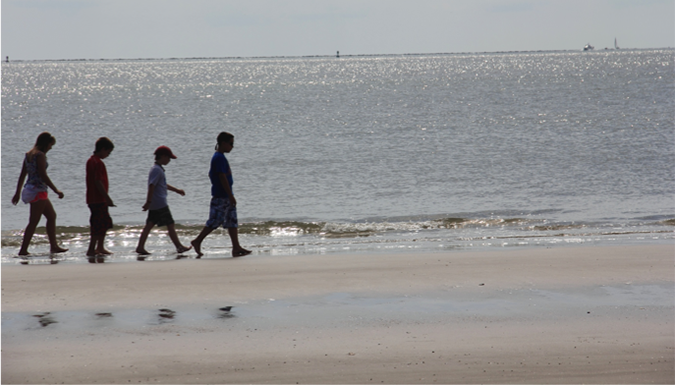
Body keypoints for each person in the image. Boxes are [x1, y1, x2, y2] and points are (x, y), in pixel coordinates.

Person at [191, 132, 251, 258]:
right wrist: (230, 195)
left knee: (232, 221)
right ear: (223, 143)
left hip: (226, 195)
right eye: (230, 144)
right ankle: (197, 241)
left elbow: (210, 174)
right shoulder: (218, 157)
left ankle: (236, 247)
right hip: (222, 196)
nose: (232, 147)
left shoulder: (221, 157)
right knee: (215, 221)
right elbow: (221, 176)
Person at [11, 132, 68, 256]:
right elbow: (43, 174)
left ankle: (53, 246)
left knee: (51, 216)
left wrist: (17, 192)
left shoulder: (28, 154)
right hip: (38, 190)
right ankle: (23, 249)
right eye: (50, 145)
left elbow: (22, 175)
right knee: (33, 221)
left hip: (31, 189)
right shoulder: (40, 155)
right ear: (45, 143)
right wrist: (56, 190)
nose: (50, 148)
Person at [135, 146, 192, 255]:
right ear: (163, 156)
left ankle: (140, 247)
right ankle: (179, 247)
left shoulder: (157, 169)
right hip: (159, 203)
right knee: (170, 224)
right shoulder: (157, 170)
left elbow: (162, 184)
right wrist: (148, 202)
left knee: (149, 225)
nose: (169, 160)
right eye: (169, 158)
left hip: (155, 203)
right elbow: (151, 185)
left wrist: (176, 190)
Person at [86, 137, 115, 257]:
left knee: (103, 222)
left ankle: (99, 247)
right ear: (102, 149)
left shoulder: (91, 160)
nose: (108, 155)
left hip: (92, 199)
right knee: (99, 224)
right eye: (108, 152)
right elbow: (98, 181)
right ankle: (93, 248)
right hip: (98, 199)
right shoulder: (98, 163)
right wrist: (107, 197)